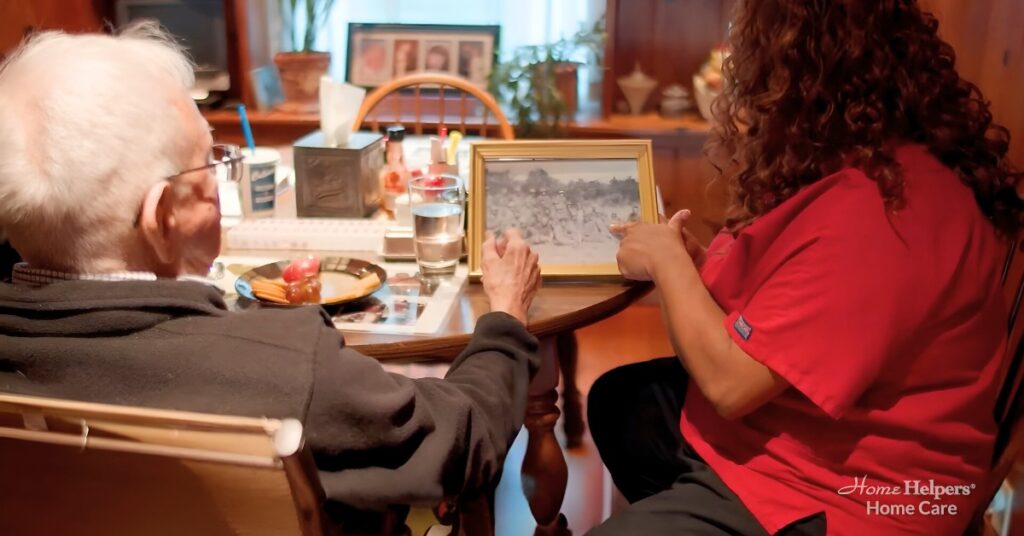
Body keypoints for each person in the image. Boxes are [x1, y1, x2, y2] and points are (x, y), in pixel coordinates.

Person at [0, 24, 543, 532]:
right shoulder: (287, 369)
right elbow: (469, 442)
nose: (217, 178)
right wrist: (506, 320)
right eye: (209, 162)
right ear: (162, 215)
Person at [590, 1, 1022, 534]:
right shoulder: (872, 165)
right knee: (621, 402)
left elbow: (730, 387)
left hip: (863, 497)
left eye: (748, 50)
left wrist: (666, 260)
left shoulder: (882, 213)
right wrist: (691, 268)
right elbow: (806, 293)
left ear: (798, 66)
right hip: (813, 437)